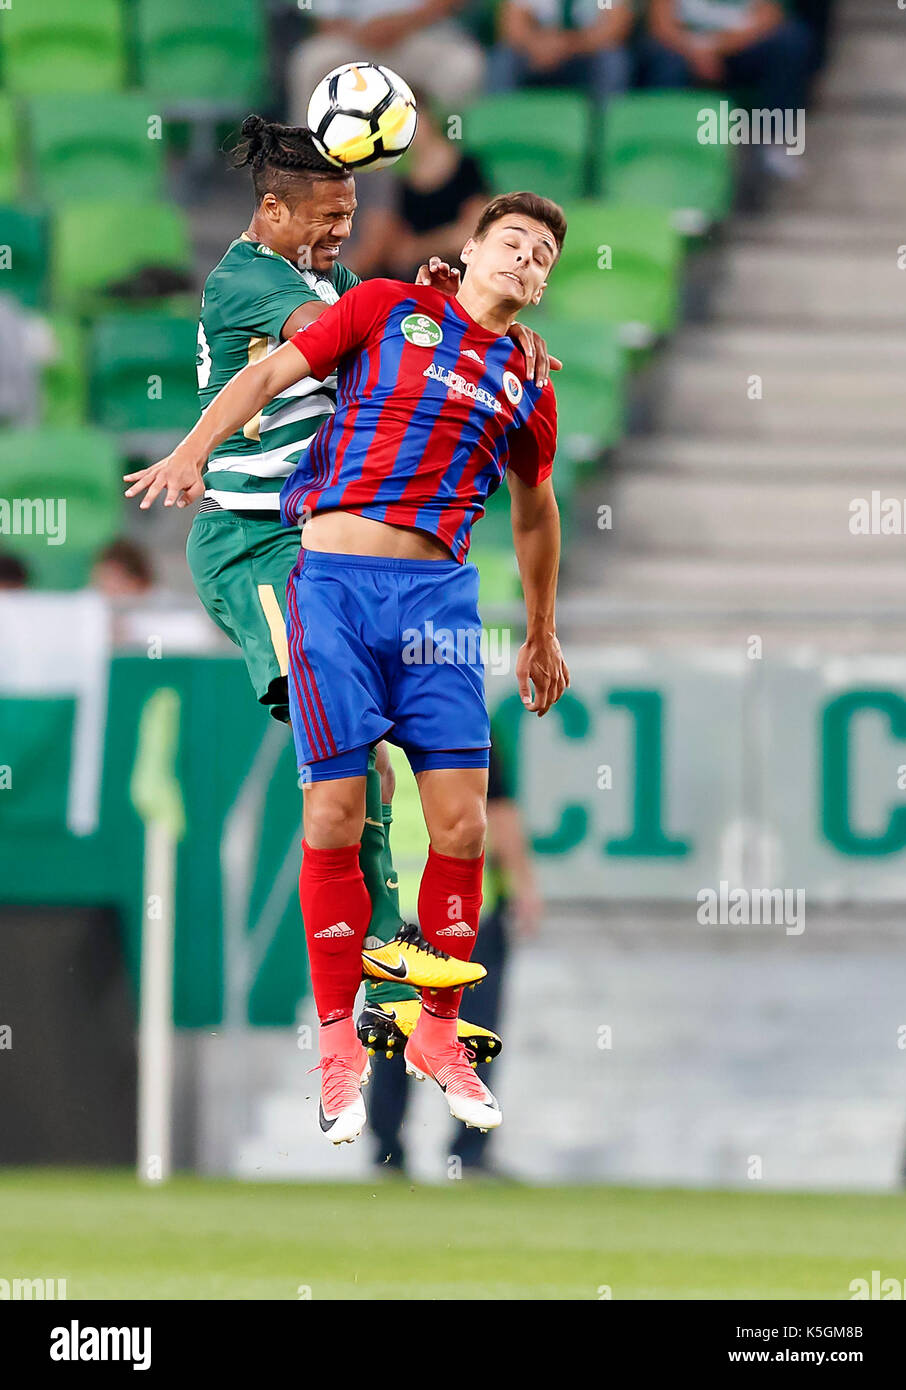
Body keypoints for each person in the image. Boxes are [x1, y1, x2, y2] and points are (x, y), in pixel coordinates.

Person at [125, 190, 571, 1145]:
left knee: (459, 831)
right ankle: (337, 1044)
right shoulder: (382, 311)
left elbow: (535, 514)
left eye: (542, 257)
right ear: (472, 248)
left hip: (443, 604)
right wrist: (192, 450)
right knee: (333, 811)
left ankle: (437, 1036)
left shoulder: (527, 386)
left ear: (542, 287)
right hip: (331, 585)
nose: (525, 262)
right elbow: (273, 371)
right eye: (512, 243)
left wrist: (539, 630)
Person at [368, 737, 543, 1175]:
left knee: (394, 1032)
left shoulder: (374, 729)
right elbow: (499, 812)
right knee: (474, 1033)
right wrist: (524, 886)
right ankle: (469, 1153)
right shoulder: (467, 726)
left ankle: (387, 1151)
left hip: (398, 909)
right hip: (464, 911)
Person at [641, 0, 814, 175]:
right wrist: (696, 53)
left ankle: (775, 142)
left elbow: (770, 16)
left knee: (790, 40)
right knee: (665, 61)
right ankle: (665, 148)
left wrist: (716, 48)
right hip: (683, 51)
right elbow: (660, 25)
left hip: (738, 48)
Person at [348, 97, 490, 282]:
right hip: (416, 278)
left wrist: (420, 248)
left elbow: (475, 233)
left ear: (429, 117)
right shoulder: (398, 181)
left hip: (459, 272)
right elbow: (396, 249)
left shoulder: (466, 168)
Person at [288, 1, 485, 125]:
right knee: (310, 62)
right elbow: (325, 20)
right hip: (354, 39)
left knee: (463, 66)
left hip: (423, 33)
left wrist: (399, 24)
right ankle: (309, 163)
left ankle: (448, 164)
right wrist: (367, 34)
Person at [490, 0, 634, 99]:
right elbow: (513, 27)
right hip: (538, 57)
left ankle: (604, 128)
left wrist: (567, 45)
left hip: (586, 56)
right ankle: (499, 127)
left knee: (613, 59)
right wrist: (539, 46)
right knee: (504, 57)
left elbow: (614, 26)